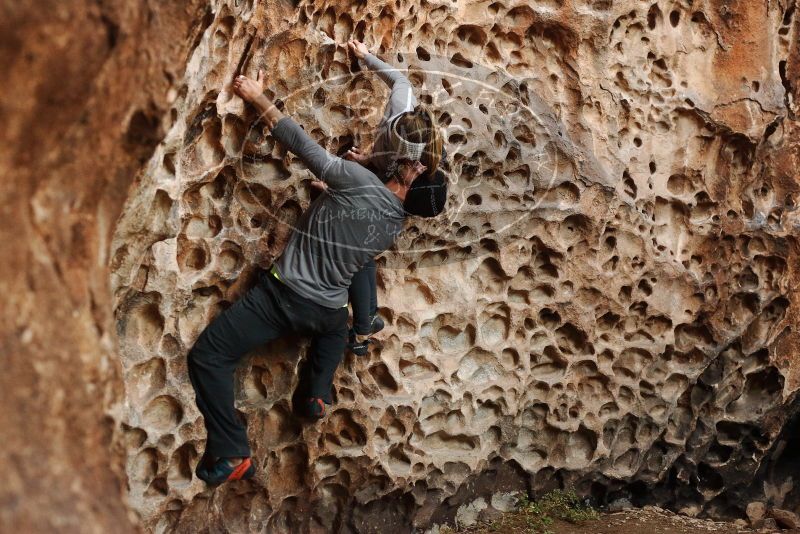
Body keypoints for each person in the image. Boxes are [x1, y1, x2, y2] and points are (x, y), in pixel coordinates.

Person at [187, 70, 436, 485]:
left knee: (209, 357)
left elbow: (301, 144)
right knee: (335, 331)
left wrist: (258, 97)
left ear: (403, 167)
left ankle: (231, 449)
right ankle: (316, 392)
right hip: (328, 313)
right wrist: (331, 193)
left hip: (282, 299)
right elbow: (354, 223)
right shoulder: (395, 223)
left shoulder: (356, 179)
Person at [340, 40, 449, 356]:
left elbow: (388, 185)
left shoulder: (416, 167)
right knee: (365, 249)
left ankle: (361, 328)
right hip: (396, 181)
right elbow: (399, 81)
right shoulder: (398, 115)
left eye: (408, 161)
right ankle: (368, 318)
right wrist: (366, 57)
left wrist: (350, 178)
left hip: (412, 194)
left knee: (362, 247)